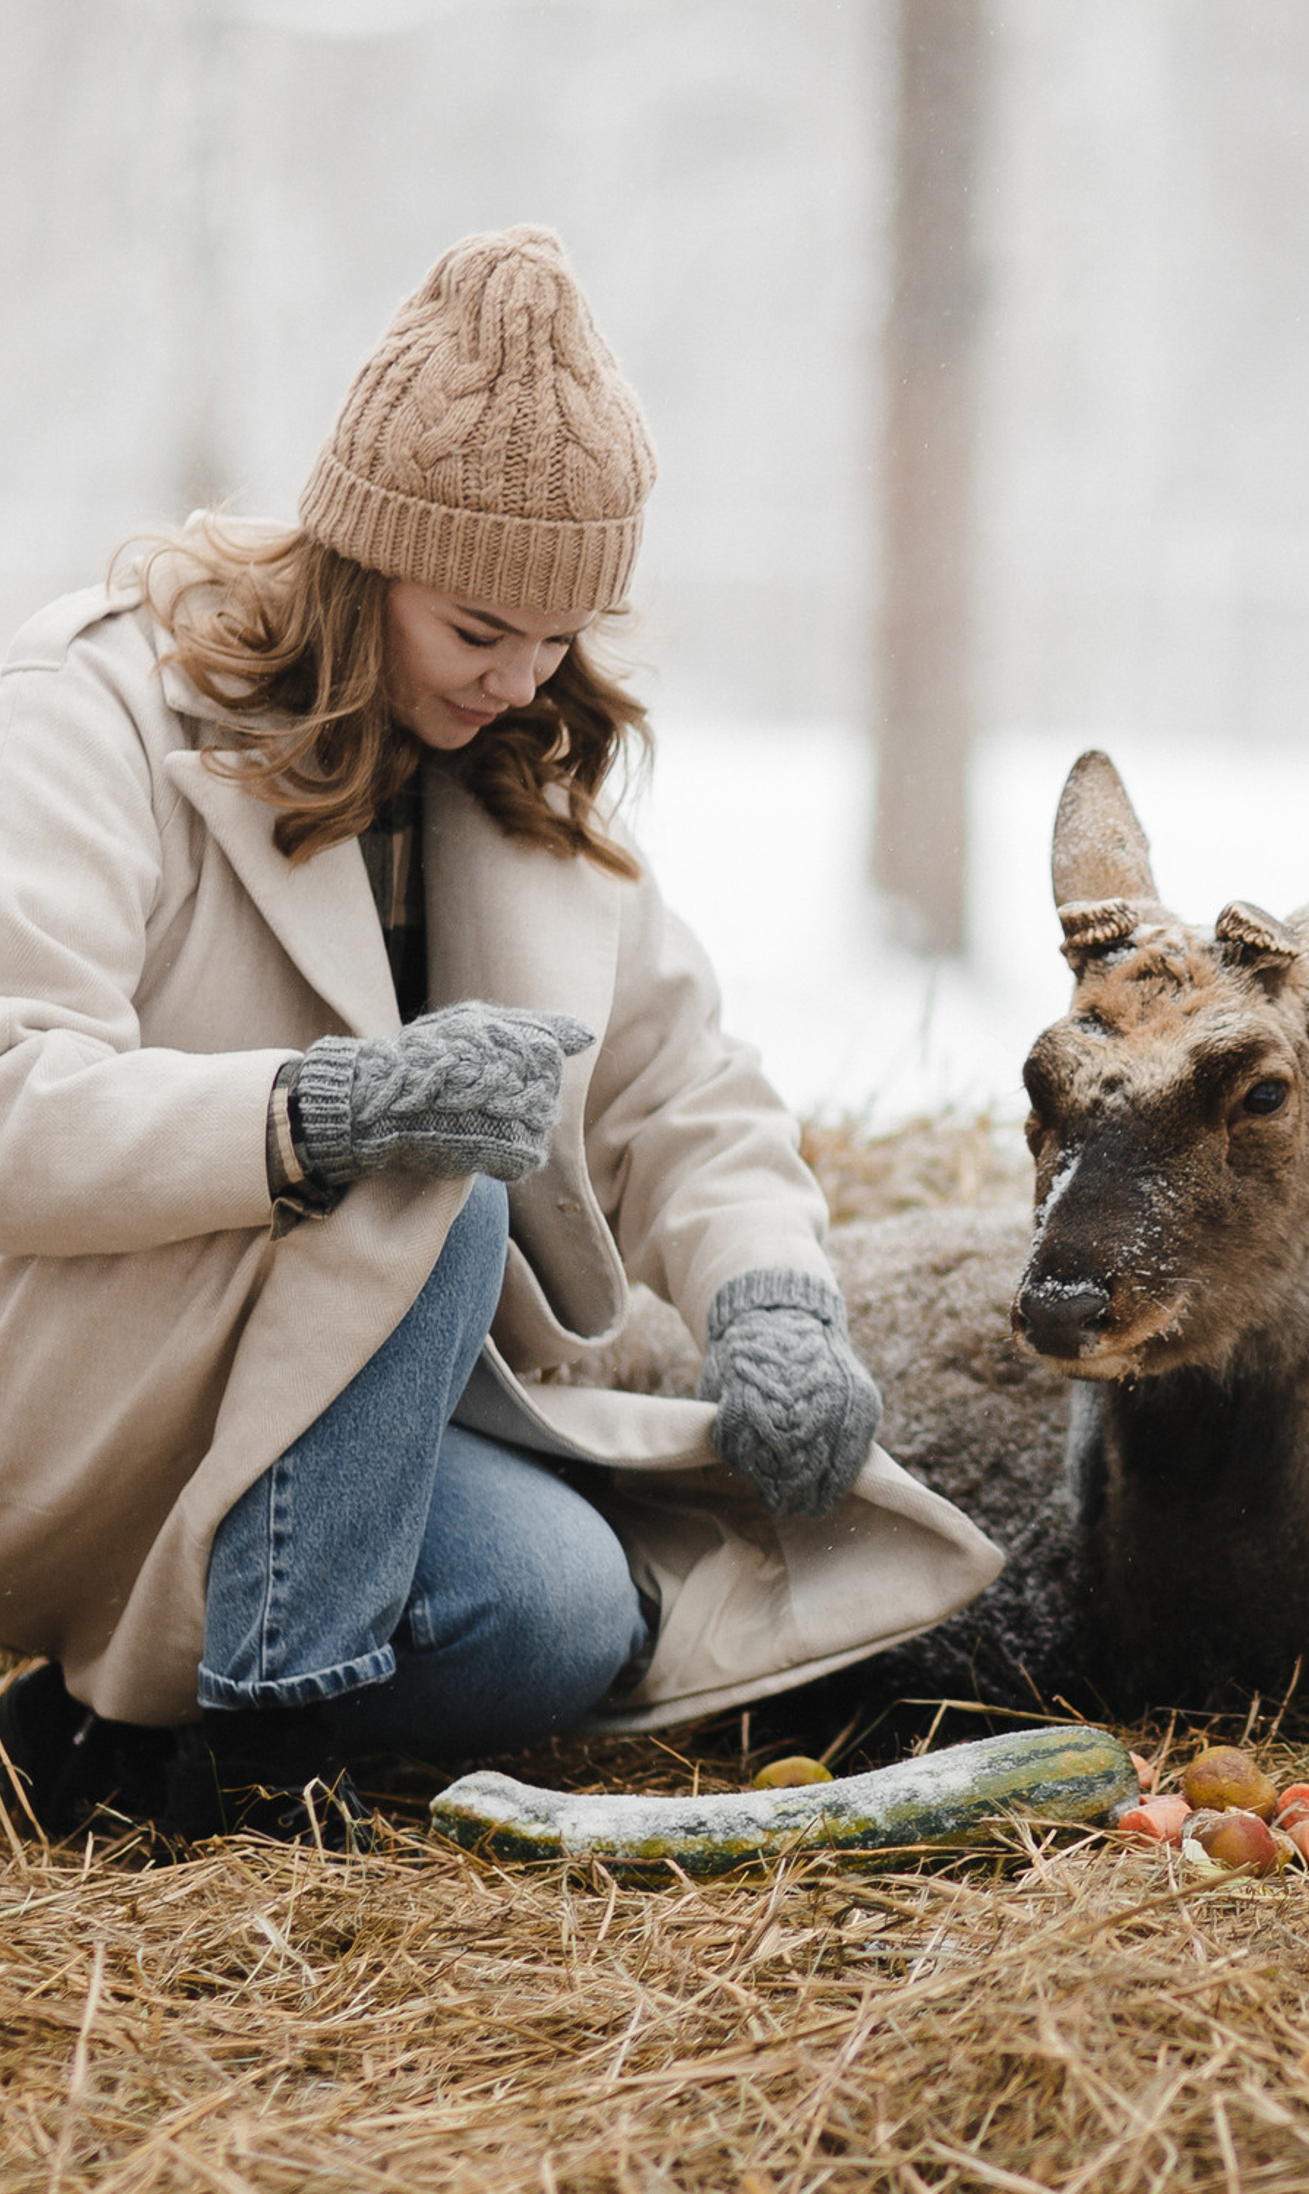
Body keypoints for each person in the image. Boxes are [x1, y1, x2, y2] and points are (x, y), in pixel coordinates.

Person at [0, 226, 999, 1844]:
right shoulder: (90, 707)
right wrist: (322, 1119)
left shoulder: (520, 753)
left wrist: (770, 1303)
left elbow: (682, 1086)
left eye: (563, 631)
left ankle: (96, 1741)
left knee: (566, 1615)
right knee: (443, 1174)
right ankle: (259, 1770)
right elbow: (11, 1102)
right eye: (479, 630)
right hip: (98, 1380)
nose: (526, 678)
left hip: (353, 1421)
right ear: (361, 558)